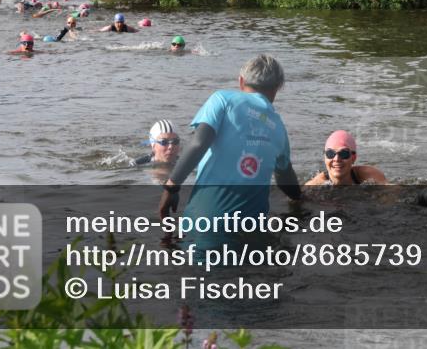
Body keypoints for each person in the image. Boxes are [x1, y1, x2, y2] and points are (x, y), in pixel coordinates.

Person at [158, 55, 302, 243]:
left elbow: (198, 144)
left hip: (206, 223)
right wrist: (301, 199)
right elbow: (285, 178)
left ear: (241, 81)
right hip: (253, 233)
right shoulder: (279, 127)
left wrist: (171, 188)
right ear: (278, 88)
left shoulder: (222, 100)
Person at [305, 130, 387, 186]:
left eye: (343, 153)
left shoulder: (368, 174)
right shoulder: (315, 185)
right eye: (330, 153)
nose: (336, 159)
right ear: (325, 158)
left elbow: (392, 192)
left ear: (353, 158)